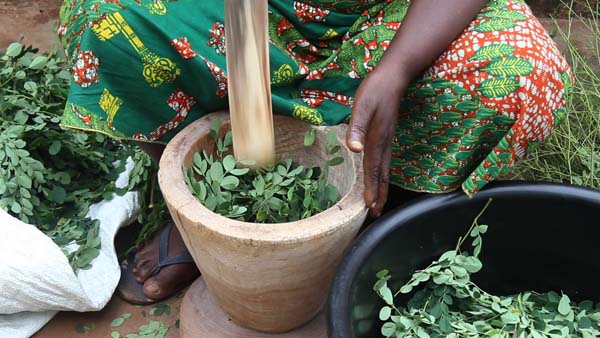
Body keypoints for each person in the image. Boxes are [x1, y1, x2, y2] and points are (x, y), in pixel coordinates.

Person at [57, 0, 572, 304]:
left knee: (523, 70)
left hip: (388, 18)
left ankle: (377, 211)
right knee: (106, 18)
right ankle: (212, 209)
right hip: (246, 17)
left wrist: (397, 70)